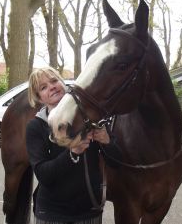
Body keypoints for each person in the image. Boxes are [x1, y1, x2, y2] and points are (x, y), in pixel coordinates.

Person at [26, 67, 120, 224]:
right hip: (51, 214)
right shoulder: (36, 127)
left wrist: (107, 141)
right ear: (40, 98)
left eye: (54, 80)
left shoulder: (91, 117)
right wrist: (72, 153)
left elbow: (116, 162)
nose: (52, 87)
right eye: (43, 87)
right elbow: (44, 175)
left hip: (89, 213)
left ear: (62, 83)